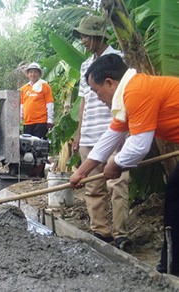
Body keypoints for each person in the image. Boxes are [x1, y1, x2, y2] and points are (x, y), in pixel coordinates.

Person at [69, 53, 179, 275]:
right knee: (174, 197)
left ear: (109, 83)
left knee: (175, 200)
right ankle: (170, 267)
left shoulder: (137, 91)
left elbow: (139, 146)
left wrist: (115, 164)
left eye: (96, 91)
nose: (98, 98)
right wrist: (81, 172)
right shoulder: (128, 98)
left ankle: (172, 269)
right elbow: (110, 138)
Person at [71, 15, 131, 249]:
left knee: (117, 183)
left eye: (86, 36)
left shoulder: (119, 60)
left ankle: (121, 234)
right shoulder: (86, 65)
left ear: (98, 36)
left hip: (114, 129)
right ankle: (101, 231)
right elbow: (84, 100)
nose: (83, 40)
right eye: (82, 36)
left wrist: (125, 130)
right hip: (90, 131)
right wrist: (79, 132)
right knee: (92, 186)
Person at [19, 62, 54, 139]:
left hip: (41, 122)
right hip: (27, 123)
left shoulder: (45, 86)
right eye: (31, 72)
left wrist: (50, 119)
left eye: (35, 72)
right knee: (27, 146)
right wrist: (19, 119)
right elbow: (21, 105)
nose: (33, 74)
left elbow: (49, 103)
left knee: (40, 147)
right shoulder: (23, 89)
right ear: (28, 74)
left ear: (39, 74)